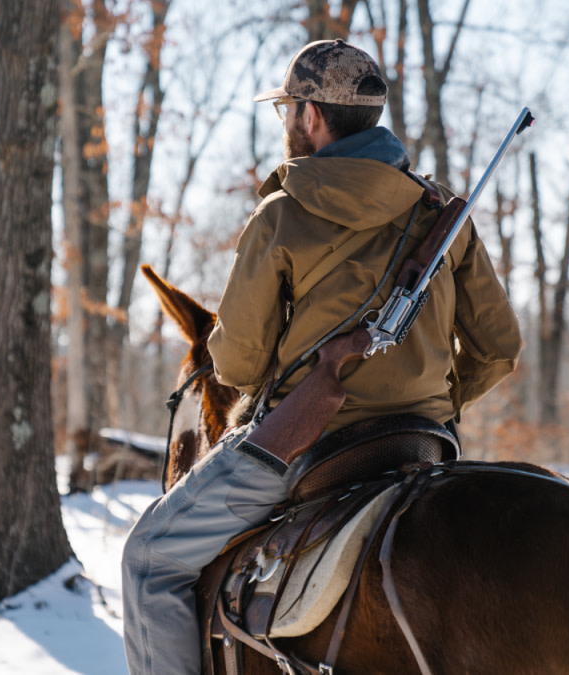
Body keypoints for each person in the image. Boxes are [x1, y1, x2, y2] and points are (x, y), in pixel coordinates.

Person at [122, 39, 522, 675]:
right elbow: (499, 349)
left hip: (303, 443)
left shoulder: (281, 214)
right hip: (423, 441)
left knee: (148, 558)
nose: (286, 124)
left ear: (310, 117)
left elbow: (238, 369)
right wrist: (434, 404)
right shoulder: (445, 215)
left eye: (287, 111)